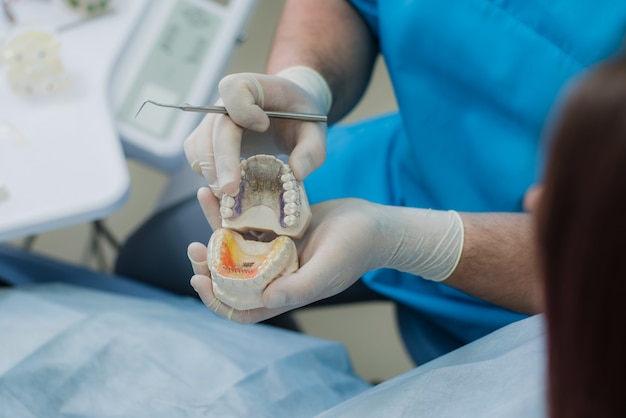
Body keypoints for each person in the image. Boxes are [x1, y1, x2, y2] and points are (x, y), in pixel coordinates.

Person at [116, 0, 626, 365]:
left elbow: (604, 262)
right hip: (415, 161)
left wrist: (414, 241)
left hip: (568, 307)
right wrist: (304, 80)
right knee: (155, 254)